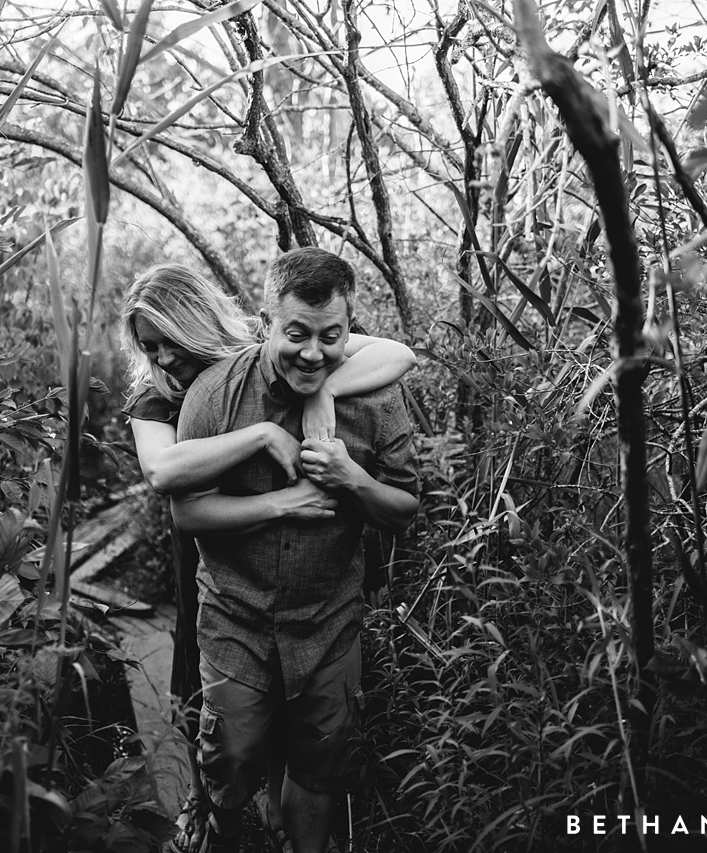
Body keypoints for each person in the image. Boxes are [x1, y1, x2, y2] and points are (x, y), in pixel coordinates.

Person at [117, 263, 416, 853]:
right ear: (267, 324)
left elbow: (395, 355)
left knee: (312, 751)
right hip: (223, 578)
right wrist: (266, 447)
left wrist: (327, 395)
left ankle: (281, 823)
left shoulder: (318, 355)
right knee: (225, 736)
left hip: (323, 606)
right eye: (149, 349)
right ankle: (211, 818)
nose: (162, 360)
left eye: (171, 344)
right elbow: (164, 475)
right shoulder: (174, 396)